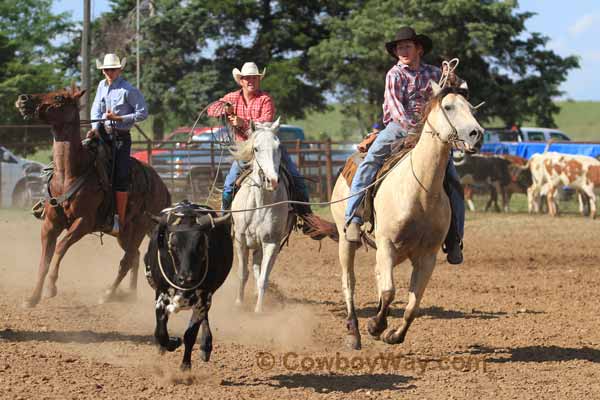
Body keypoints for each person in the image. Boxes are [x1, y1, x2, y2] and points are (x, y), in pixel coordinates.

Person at [344, 27, 465, 264]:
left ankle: (454, 238)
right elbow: (397, 110)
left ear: (418, 49)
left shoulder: (433, 72)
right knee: (369, 163)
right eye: (399, 48)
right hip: (398, 129)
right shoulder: (395, 74)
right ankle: (354, 219)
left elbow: (459, 93)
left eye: (407, 46)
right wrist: (414, 130)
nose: (402, 51)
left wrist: (453, 78)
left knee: (452, 180)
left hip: (429, 133)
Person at [207, 62, 336, 240]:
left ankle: (307, 219)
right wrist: (225, 108)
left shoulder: (265, 99)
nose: (251, 81)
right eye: (247, 78)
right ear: (241, 81)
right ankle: (225, 220)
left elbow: (264, 124)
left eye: (254, 78)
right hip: (246, 150)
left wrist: (242, 122)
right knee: (229, 184)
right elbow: (211, 110)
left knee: (296, 178)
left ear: (258, 80)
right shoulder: (232, 97)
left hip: (268, 146)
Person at [90, 53, 148, 234]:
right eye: (106, 69)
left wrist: (119, 118)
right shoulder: (101, 86)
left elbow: (142, 113)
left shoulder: (129, 90)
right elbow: (96, 108)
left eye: (112, 69)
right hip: (102, 134)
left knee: (120, 176)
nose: (109, 72)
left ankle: (119, 219)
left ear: (119, 70)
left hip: (120, 138)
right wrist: (94, 126)